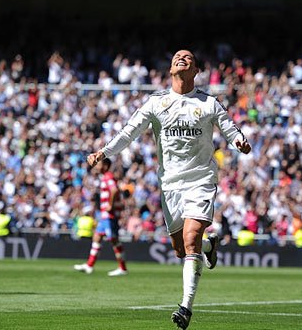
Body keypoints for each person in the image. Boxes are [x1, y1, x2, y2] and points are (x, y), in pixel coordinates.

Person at [86, 50, 252, 329]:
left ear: (196, 69)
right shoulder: (157, 102)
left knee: (190, 240)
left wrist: (239, 141)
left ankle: (185, 307)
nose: (181, 58)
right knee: (180, 249)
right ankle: (209, 246)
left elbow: (229, 127)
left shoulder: (208, 102)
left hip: (200, 179)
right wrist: (104, 152)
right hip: (170, 184)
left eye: (187, 57)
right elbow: (129, 132)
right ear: (171, 68)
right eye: (177, 56)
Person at [74, 158, 129, 277]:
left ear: (105, 165)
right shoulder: (105, 177)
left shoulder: (108, 177)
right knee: (97, 237)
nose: (96, 166)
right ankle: (89, 265)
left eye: (98, 164)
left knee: (114, 240)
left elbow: (114, 190)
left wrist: (110, 204)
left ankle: (123, 268)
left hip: (109, 215)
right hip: (104, 216)